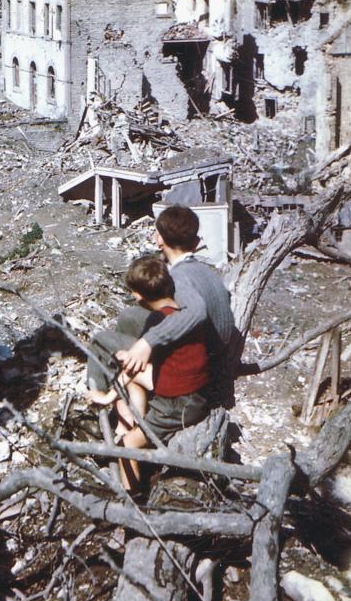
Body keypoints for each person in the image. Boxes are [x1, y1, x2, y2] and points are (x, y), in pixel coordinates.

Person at [87, 255, 210, 491]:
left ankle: (132, 499)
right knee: (133, 376)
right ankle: (133, 421)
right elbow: (137, 370)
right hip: (195, 391)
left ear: (138, 295)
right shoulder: (182, 315)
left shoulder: (157, 321)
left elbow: (133, 367)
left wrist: (107, 397)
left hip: (179, 406)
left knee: (127, 446)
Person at [117, 205, 240, 408]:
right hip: (219, 355)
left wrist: (148, 342)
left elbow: (196, 311)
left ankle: (126, 387)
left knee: (129, 317)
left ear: (159, 240)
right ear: (196, 242)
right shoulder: (206, 271)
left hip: (202, 372)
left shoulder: (179, 279)